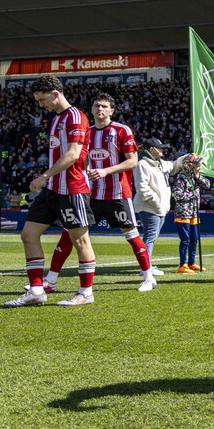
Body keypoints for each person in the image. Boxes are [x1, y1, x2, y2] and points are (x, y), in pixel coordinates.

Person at [38, 93, 159, 293]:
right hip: (90, 194)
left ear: (112, 110)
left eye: (104, 106)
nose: (100, 109)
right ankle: (50, 281)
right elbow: (82, 157)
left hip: (117, 194)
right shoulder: (88, 131)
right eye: (96, 106)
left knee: (132, 236)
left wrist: (105, 171)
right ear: (92, 109)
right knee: (69, 234)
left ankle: (148, 277)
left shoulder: (122, 130)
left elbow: (133, 161)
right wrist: (84, 172)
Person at [5, 75, 97, 308]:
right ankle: (36, 291)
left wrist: (44, 175)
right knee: (28, 235)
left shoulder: (76, 117)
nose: (40, 105)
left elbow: (74, 154)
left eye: (42, 99)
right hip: (52, 189)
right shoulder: (57, 119)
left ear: (56, 94)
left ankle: (86, 292)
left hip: (72, 189)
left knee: (80, 240)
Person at [133, 137, 176, 265]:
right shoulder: (142, 165)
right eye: (160, 148)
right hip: (149, 208)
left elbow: (174, 165)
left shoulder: (160, 163)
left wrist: (186, 158)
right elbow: (142, 189)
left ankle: (146, 265)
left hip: (158, 208)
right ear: (152, 149)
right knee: (150, 237)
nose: (162, 150)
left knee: (151, 237)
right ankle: (146, 267)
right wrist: (157, 202)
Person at [171, 154, 210, 274]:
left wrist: (198, 176)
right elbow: (177, 195)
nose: (199, 167)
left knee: (194, 239)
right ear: (190, 165)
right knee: (185, 240)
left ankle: (192, 263)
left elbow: (207, 185)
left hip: (193, 212)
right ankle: (183, 265)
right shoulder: (181, 177)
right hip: (183, 212)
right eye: (197, 165)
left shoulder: (195, 176)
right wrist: (194, 194)